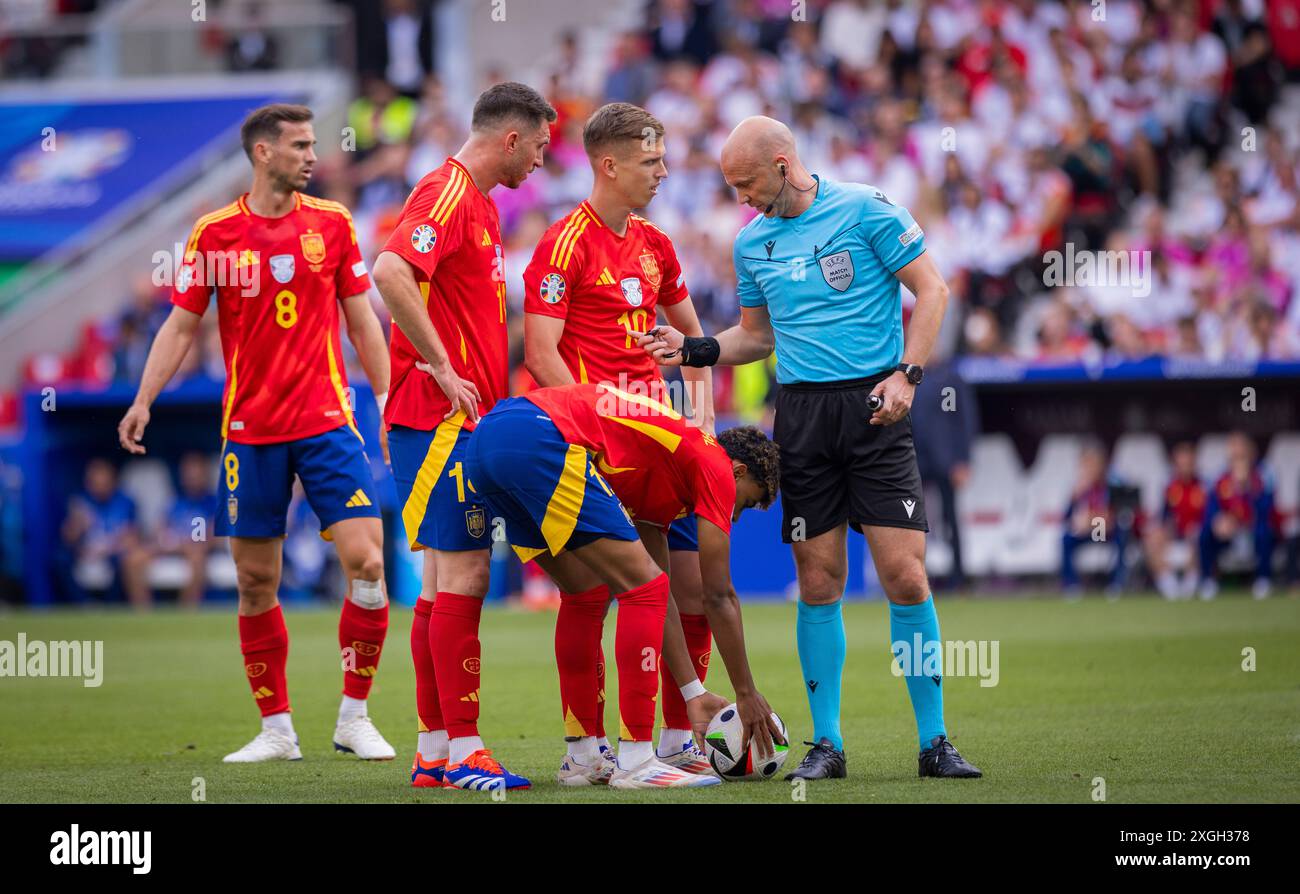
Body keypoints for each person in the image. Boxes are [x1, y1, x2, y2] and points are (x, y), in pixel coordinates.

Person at [639, 115, 980, 780]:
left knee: (905, 576)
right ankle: (827, 745)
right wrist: (696, 348)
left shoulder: (867, 208)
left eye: (746, 183)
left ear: (783, 163)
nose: (740, 198)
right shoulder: (751, 244)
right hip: (801, 415)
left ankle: (935, 740)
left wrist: (908, 374)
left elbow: (933, 291)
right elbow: (757, 338)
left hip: (877, 408)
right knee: (819, 581)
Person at [118, 103, 396, 763]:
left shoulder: (332, 223)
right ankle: (277, 730)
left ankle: (354, 717)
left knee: (370, 563)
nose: (312, 156)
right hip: (250, 431)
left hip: (329, 423)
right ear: (263, 153)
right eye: (300, 145)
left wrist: (385, 399)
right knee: (253, 582)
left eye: (313, 144)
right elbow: (182, 326)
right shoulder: (214, 234)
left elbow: (362, 321)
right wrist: (143, 399)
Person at [523, 102, 718, 778]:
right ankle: (584, 750)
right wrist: (592, 432)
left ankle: (675, 738)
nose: (663, 172)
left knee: (686, 590)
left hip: (659, 444)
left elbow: (694, 346)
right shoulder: (563, 243)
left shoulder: (656, 244)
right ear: (609, 165)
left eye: (663, 158)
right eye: (650, 161)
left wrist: (701, 424)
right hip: (593, 445)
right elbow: (541, 351)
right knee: (592, 592)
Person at [463, 381, 785, 789]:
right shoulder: (715, 464)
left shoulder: (667, 475)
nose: (735, 517)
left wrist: (693, 693)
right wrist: (747, 693)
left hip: (488, 441)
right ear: (737, 471)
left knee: (586, 592)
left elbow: (659, 588)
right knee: (642, 590)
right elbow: (718, 595)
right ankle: (635, 759)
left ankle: (581, 758)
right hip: (539, 436)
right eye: (744, 502)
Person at [371, 82, 555, 792]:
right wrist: (442, 366)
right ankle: (466, 749)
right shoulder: (446, 192)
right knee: (467, 575)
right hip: (436, 415)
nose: (542, 160)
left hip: (452, 417)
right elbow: (390, 270)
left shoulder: (477, 203)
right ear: (510, 138)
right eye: (538, 146)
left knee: (446, 580)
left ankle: (437, 749)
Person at [61, 458, 152, 608]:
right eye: (95, 482)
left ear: (113, 481)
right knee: (61, 558)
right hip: (86, 551)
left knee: (122, 559)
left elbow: (133, 537)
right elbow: (67, 538)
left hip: (113, 551)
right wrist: (78, 527)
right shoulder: (80, 502)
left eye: (104, 482)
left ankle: (112, 607)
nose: (100, 487)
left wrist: (108, 548)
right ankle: (82, 606)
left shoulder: (125, 502)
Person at [1198, 432, 1277, 600]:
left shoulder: (1263, 475)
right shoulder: (1221, 478)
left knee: (1264, 531)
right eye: (1233, 449)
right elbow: (1212, 508)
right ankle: (1208, 580)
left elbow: (1267, 508)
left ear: (1250, 451)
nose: (1236, 453)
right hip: (1228, 533)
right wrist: (1219, 521)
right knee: (1205, 533)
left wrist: (1247, 488)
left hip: (1253, 529)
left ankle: (1263, 579)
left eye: (1240, 449)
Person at [156, 451, 221, 608]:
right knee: (135, 558)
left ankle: (184, 609)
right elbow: (160, 530)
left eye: (196, 472)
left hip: (197, 550)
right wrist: (166, 543)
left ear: (205, 474)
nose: (192, 477)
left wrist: (192, 545)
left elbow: (215, 538)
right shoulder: (174, 501)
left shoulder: (213, 502)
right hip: (172, 548)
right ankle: (141, 614)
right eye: (188, 472)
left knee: (197, 557)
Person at [1142, 441, 1205, 600]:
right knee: (1153, 540)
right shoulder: (1170, 488)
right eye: (1181, 463)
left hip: (1196, 540)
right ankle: (1170, 589)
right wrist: (1163, 533)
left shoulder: (1203, 487)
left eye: (1188, 463)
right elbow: (1164, 518)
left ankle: (1191, 587)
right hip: (1175, 539)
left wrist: (1196, 530)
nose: (1185, 467)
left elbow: (1209, 517)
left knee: (1200, 537)